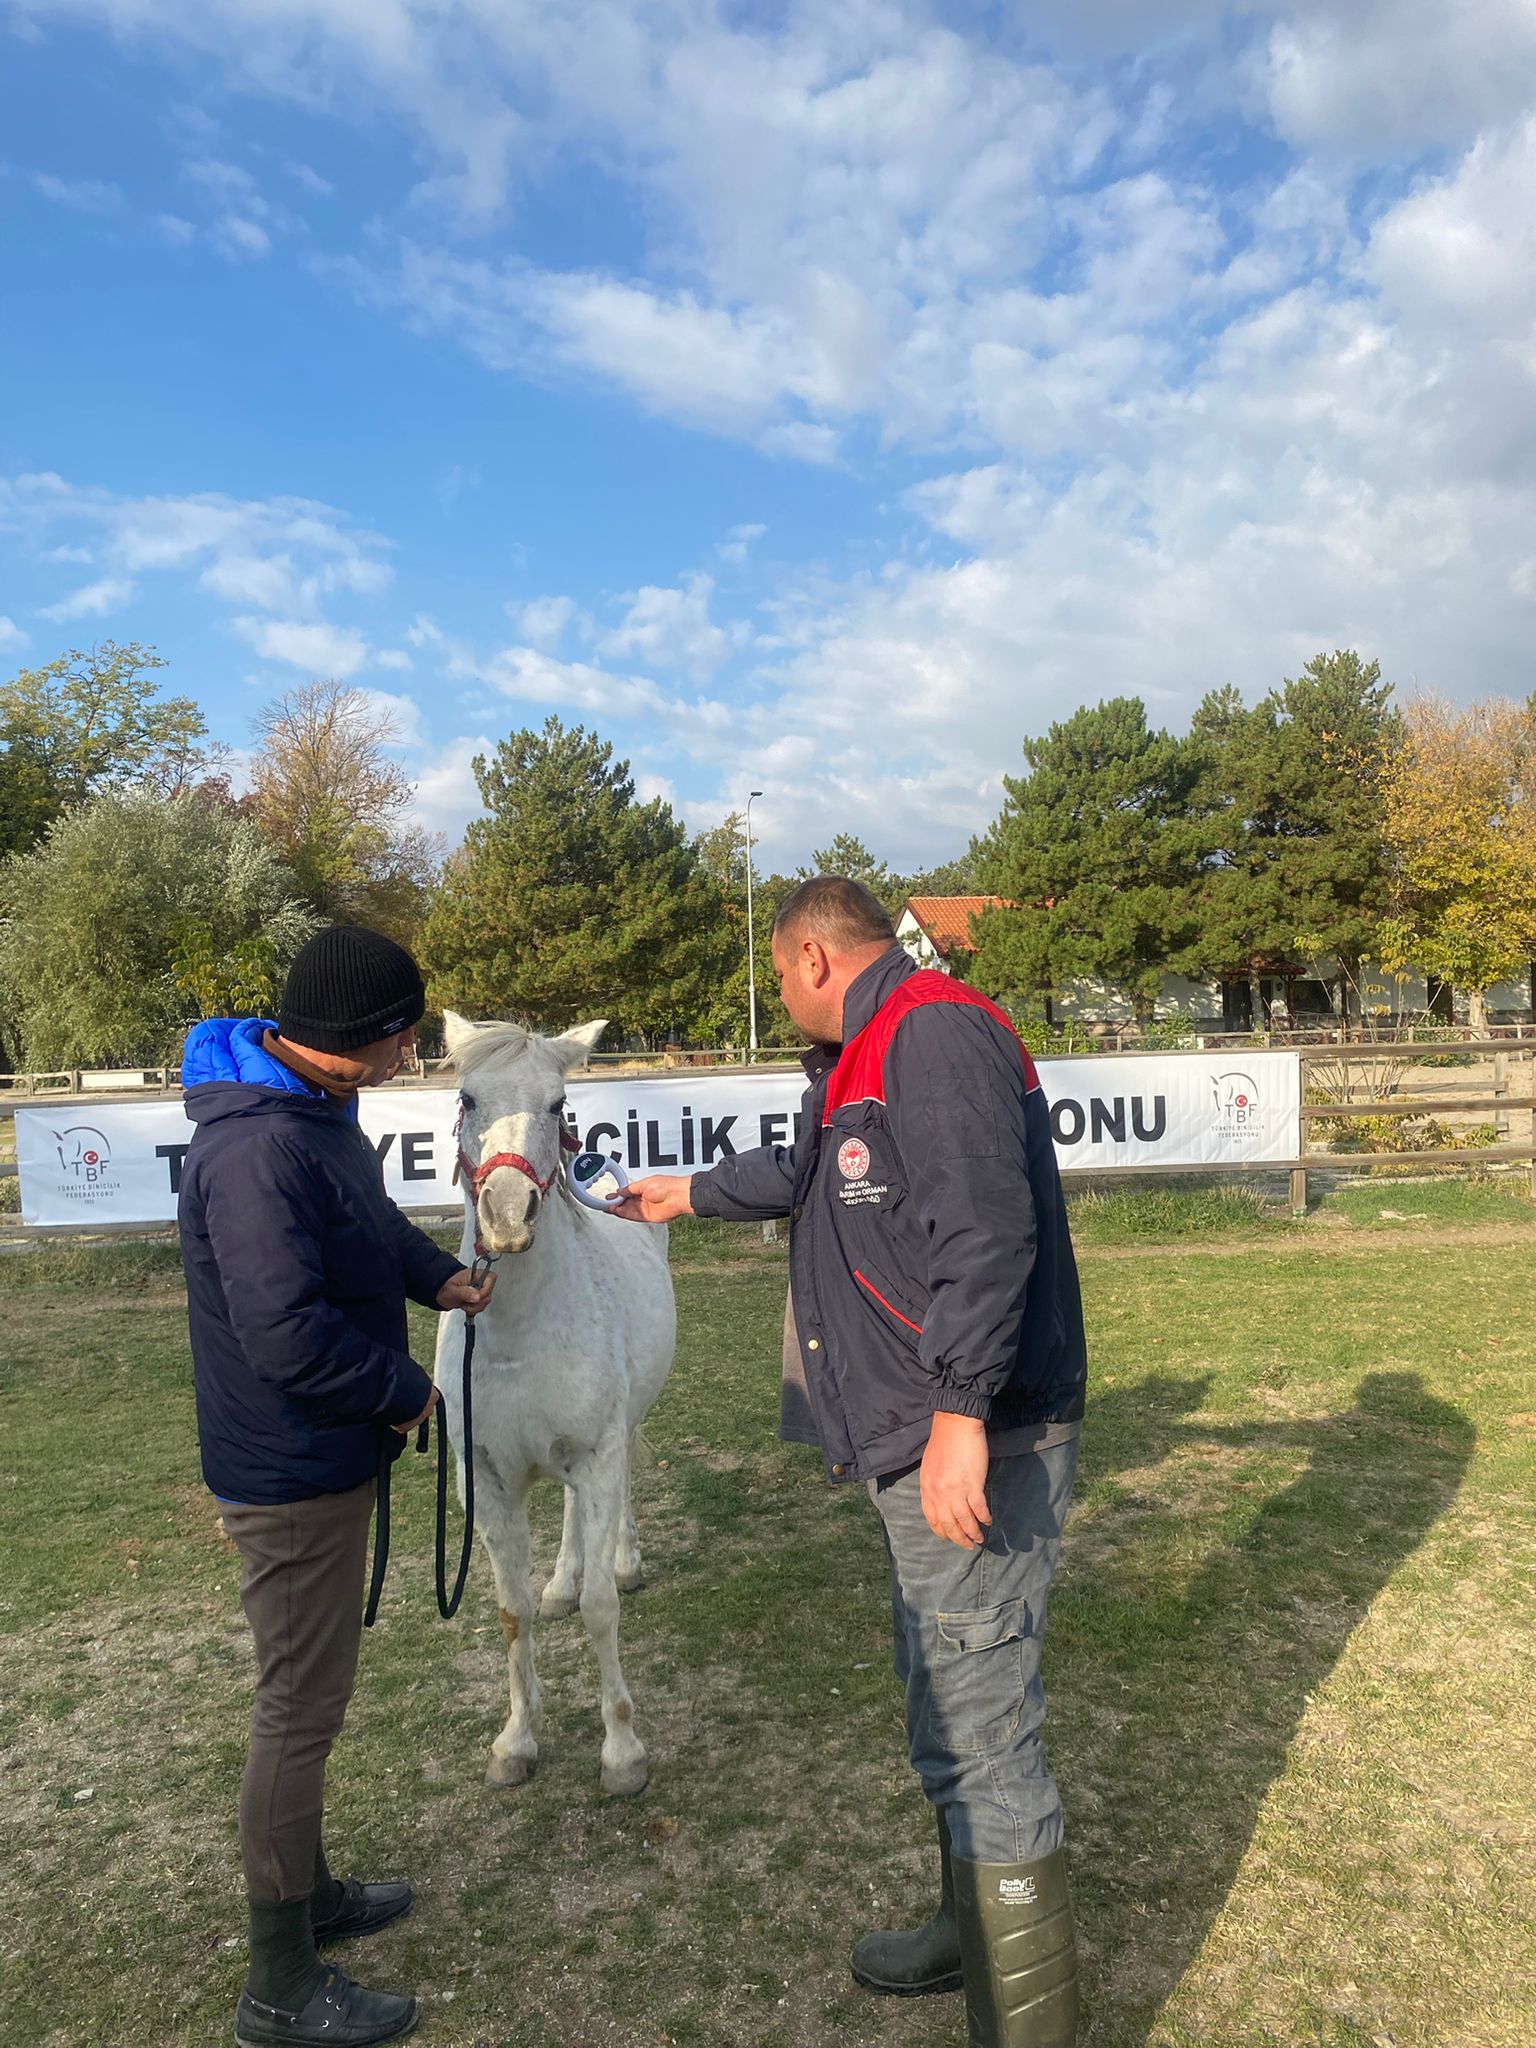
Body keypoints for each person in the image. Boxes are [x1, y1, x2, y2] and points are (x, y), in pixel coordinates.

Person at [614, 877, 1087, 2048]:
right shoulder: (867, 1052)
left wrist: (961, 1411)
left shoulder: (929, 1031)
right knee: (943, 1699)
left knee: (984, 1735)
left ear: (814, 956)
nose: (780, 995)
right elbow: (817, 1169)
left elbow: (987, 1229)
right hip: (912, 1429)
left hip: (975, 1428)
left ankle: (1024, 2021)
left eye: (778, 976)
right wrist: (689, 1192)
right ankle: (960, 1922)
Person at [178, 925, 494, 2048]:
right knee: (298, 1708)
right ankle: (278, 1981)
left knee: (307, 1694)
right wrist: (404, 1389)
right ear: (364, 1036)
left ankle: (311, 1895)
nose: (412, 1045)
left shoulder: (312, 1113)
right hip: (294, 1462)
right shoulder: (264, 1148)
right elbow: (283, 1331)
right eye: (404, 1028)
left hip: (315, 1452)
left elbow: (366, 1231)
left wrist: (439, 1277)